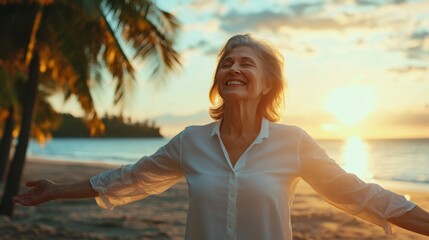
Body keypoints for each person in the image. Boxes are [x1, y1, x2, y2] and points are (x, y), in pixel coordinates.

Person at [13, 34, 429, 240]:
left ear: (267, 84)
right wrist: (55, 191)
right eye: (227, 62)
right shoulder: (190, 142)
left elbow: (359, 193)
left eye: (247, 63)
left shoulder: (294, 143)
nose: (233, 68)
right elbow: (127, 179)